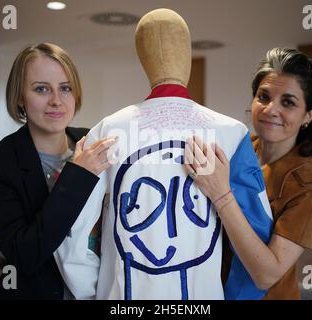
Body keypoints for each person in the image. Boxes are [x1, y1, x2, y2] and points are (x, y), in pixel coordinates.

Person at [54, 9, 273, 300]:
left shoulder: (106, 131)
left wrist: (96, 290)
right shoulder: (232, 134)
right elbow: (257, 240)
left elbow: (72, 231)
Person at [184, 48, 312, 299]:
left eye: (288, 102)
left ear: (308, 115)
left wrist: (222, 196)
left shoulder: (311, 185)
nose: (271, 109)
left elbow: (265, 275)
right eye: (264, 96)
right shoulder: (234, 149)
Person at [0, 43, 116, 299]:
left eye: (65, 88)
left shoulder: (93, 142)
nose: (56, 101)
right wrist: (77, 175)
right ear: (19, 96)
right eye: (41, 89)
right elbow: (26, 255)